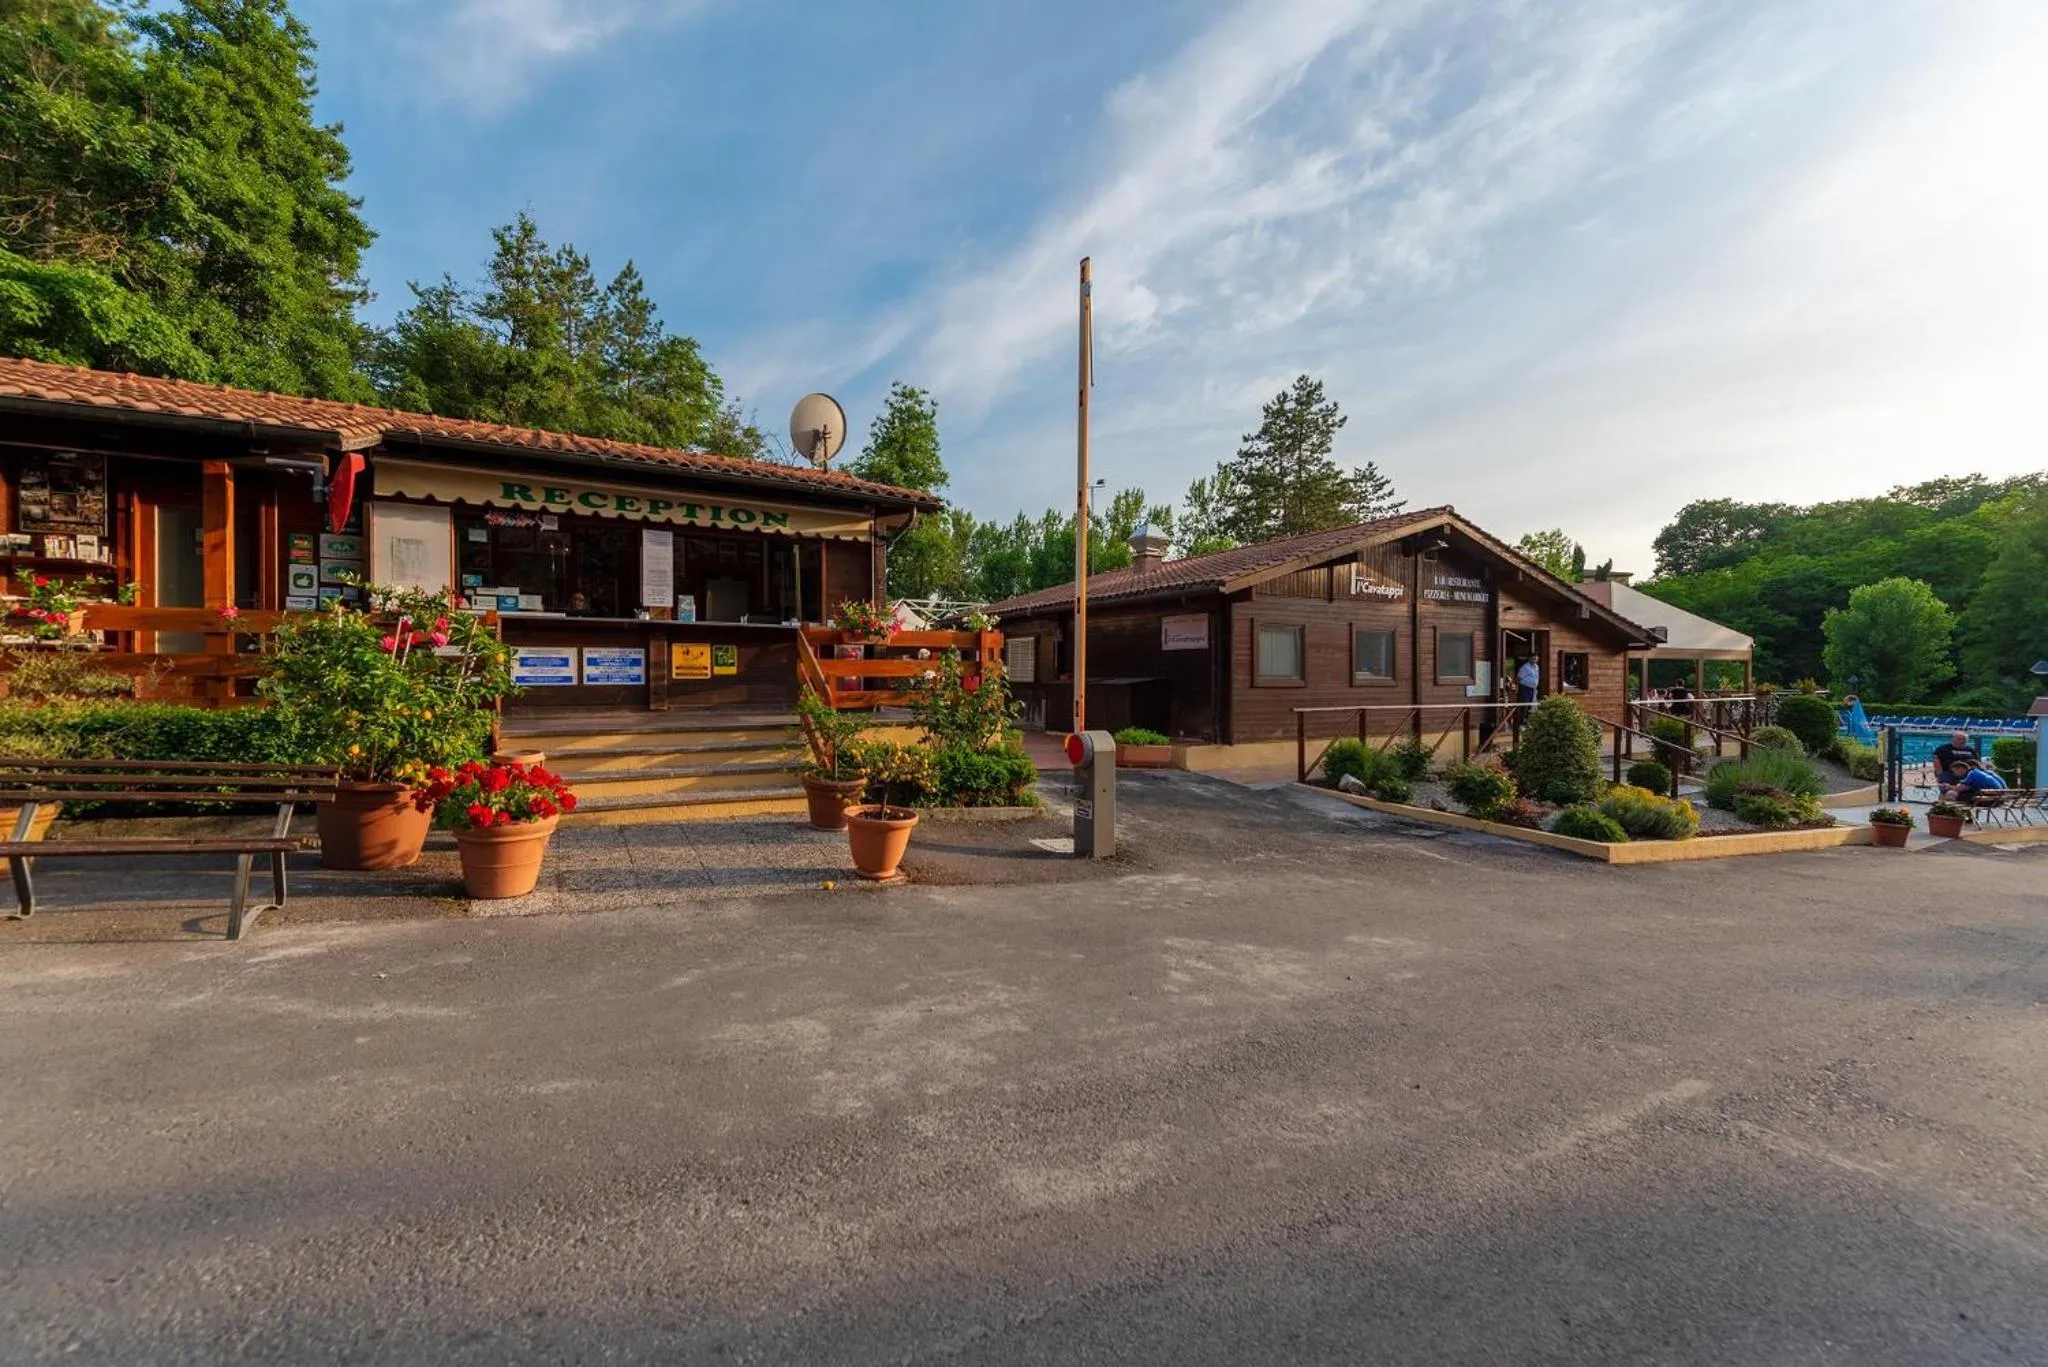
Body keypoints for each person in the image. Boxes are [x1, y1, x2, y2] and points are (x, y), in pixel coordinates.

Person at [1942, 759, 2007, 804]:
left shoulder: (1972, 773)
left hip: (1992, 799)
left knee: (1954, 794)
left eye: (1954, 771)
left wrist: (1948, 786)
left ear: (1960, 768)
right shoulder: (1982, 772)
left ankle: (1951, 813)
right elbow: (1967, 787)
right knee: (1966, 793)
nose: (1955, 774)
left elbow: (1959, 789)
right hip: (2001, 798)